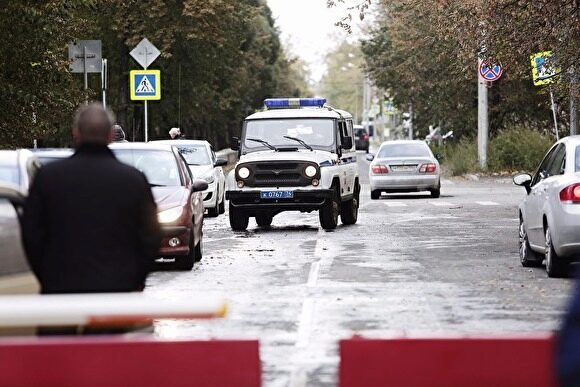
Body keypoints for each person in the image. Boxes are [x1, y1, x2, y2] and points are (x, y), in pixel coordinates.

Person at [21, 103, 162, 296]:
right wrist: (136, 278)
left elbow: (32, 234)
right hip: (118, 292)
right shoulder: (133, 180)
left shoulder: (48, 178)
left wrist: (47, 276)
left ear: (75, 133)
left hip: (61, 293)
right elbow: (151, 236)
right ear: (110, 136)